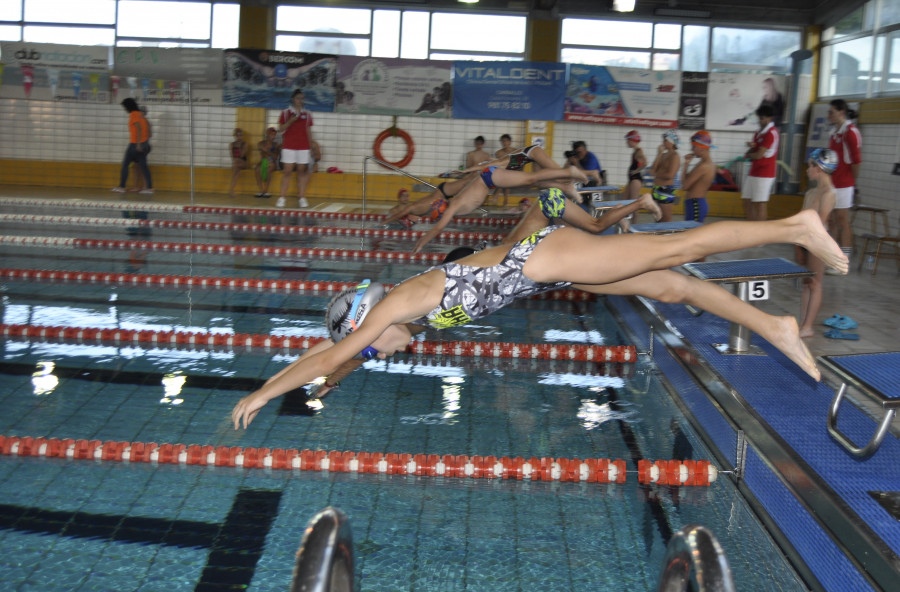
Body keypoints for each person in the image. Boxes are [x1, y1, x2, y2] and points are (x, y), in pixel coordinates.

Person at [232, 210, 850, 429]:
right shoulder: (403, 317)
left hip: (545, 257)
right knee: (671, 288)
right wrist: (328, 382)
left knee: (677, 251)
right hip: (550, 270)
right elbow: (346, 362)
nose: (383, 352)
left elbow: (333, 356)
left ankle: (794, 226)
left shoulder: (398, 304)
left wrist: (264, 391)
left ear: (364, 316)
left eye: (369, 342)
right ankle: (774, 328)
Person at [405, 164, 588, 253]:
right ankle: (565, 186)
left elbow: (438, 228)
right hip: (488, 178)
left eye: (439, 215)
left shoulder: (453, 206)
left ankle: (568, 172)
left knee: (530, 179)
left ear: (441, 211)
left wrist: (422, 241)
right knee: (531, 183)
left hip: (489, 177)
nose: (441, 218)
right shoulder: (454, 204)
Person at [503, 188, 662, 244]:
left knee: (595, 226)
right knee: (575, 236)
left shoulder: (508, 256)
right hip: (548, 202)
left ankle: (641, 203)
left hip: (549, 202)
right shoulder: (506, 252)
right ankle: (617, 211)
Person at [795, 149, 838, 338]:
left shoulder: (829, 193)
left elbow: (820, 223)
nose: (807, 170)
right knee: (806, 282)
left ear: (819, 168)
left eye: (810, 166)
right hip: (805, 239)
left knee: (815, 283)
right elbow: (801, 220)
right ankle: (803, 322)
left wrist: (806, 243)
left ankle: (808, 326)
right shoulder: (811, 192)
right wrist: (797, 243)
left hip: (818, 241)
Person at [827, 99, 862, 270]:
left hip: (844, 183)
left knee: (843, 221)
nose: (829, 116)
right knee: (832, 221)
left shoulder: (850, 132)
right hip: (833, 183)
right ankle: (834, 257)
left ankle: (844, 260)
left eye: (831, 112)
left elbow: (856, 161)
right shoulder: (835, 132)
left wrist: (852, 184)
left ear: (842, 112)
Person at [277, 89, 315, 209]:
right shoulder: (285, 113)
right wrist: (291, 121)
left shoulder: (307, 114)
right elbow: (281, 129)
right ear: (293, 99)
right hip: (289, 146)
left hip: (303, 147)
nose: (300, 100)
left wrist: (311, 147)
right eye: (298, 98)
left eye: (302, 98)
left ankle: (301, 197)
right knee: (287, 171)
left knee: (301, 171)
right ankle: (282, 197)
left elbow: (308, 131)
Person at [742, 105, 779, 222]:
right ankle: (752, 226)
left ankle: (761, 231)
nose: (759, 120)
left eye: (762, 118)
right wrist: (750, 148)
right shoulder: (758, 132)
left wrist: (748, 155)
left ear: (770, 118)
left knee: (760, 203)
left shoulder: (771, 133)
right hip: (755, 171)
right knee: (746, 200)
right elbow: (754, 151)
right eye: (759, 118)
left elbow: (758, 155)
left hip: (765, 173)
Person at [112, 97, 154, 195]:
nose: (125, 109)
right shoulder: (141, 116)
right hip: (145, 144)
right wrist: (145, 143)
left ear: (128, 107)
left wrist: (138, 144)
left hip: (135, 144)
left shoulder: (133, 115)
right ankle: (149, 188)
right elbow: (149, 132)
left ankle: (122, 186)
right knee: (143, 166)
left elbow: (138, 127)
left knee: (125, 164)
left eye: (125, 107)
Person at [681, 131, 717, 223]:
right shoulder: (704, 164)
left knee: (691, 234)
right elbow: (685, 181)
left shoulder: (703, 166)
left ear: (702, 147)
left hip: (695, 205)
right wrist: (686, 164)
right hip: (695, 204)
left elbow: (684, 186)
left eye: (694, 147)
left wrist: (685, 165)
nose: (692, 149)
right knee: (689, 234)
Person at [649, 130, 681, 222]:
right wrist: (659, 154)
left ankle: (666, 236)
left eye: (665, 140)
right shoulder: (663, 155)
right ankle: (657, 236)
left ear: (672, 141)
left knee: (666, 219)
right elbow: (652, 169)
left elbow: (670, 175)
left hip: (666, 190)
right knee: (657, 218)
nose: (663, 142)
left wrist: (656, 174)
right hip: (656, 189)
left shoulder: (675, 156)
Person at [490, 134, 516, 207]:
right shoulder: (498, 153)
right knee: (505, 176)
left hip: (514, 172)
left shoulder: (515, 151)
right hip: (503, 173)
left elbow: (516, 164)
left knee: (506, 175)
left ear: (510, 142)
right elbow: (498, 165)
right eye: (502, 141)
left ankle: (496, 196)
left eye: (506, 141)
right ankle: (506, 201)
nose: (504, 143)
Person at [255, 127, 280, 198]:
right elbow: (259, 146)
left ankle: (266, 190)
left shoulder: (276, 145)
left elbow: (275, 157)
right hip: (263, 161)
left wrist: (266, 152)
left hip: (272, 162)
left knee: (269, 168)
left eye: (274, 135)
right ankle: (261, 190)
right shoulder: (261, 143)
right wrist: (270, 152)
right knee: (257, 169)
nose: (273, 137)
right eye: (272, 135)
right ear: (267, 135)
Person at [624, 130, 646, 200]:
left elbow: (645, 163)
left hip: (635, 180)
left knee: (633, 203)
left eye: (628, 140)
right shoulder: (636, 151)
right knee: (624, 200)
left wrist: (636, 171)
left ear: (632, 140)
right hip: (632, 179)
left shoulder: (639, 151)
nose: (626, 142)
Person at [228, 128, 249, 197]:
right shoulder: (231, 144)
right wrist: (235, 161)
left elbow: (242, 155)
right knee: (237, 170)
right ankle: (231, 190)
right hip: (236, 164)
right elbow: (232, 157)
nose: (239, 137)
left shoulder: (245, 144)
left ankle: (231, 190)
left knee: (236, 165)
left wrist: (239, 146)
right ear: (235, 136)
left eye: (240, 135)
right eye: (237, 135)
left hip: (244, 163)